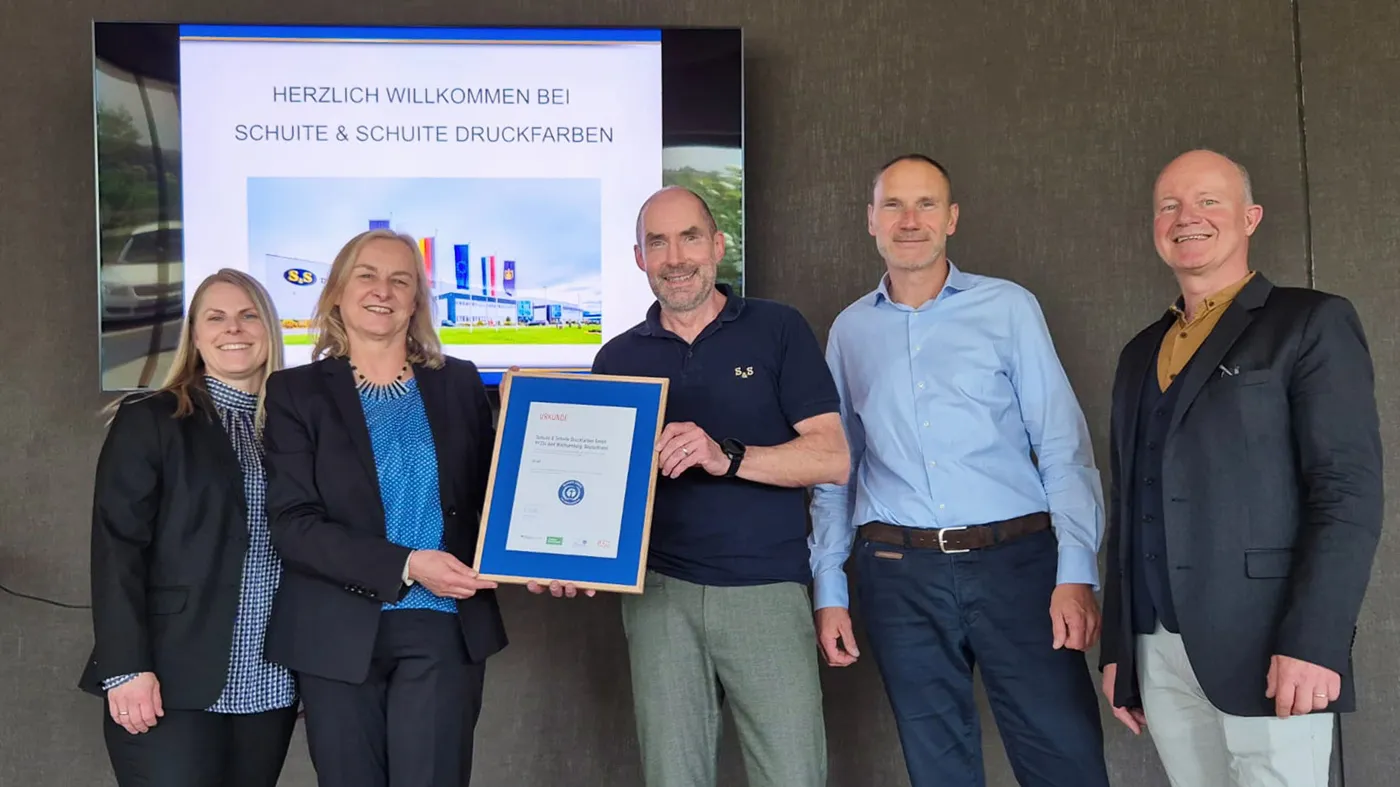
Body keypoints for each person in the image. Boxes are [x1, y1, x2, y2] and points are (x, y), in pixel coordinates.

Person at [808, 154, 1111, 787]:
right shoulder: (849, 331)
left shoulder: (1008, 308)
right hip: (899, 574)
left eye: (925, 204)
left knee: (1065, 759)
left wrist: (1076, 571)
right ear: (870, 220)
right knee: (937, 769)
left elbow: (1062, 446)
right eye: (893, 205)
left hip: (1019, 566)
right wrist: (830, 588)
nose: (909, 220)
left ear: (951, 218)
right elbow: (835, 470)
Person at [1098, 149, 1384, 787]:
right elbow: (1128, 503)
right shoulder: (1139, 352)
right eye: (1169, 205)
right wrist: (1120, 647)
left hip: (1272, 642)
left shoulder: (1310, 322)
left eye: (1208, 201)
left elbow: (1346, 493)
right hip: (1158, 648)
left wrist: (1316, 640)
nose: (1187, 217)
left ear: (1250, 218)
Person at [567, 185, 849, 787]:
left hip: (764, 592)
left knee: (793, 775)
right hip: (658, 597)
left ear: (718, 246)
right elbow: (597, 492)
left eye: (690, 237)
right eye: (657, 243)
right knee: (674, 777)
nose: (675, 257)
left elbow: (832, 458)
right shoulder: (616, 358)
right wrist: (567, 555)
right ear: (639, 258)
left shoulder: (777, 328)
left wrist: (728, 456)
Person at [261, 228, 507, 787]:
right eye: (366, 276)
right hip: (336, 630)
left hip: (444, 626)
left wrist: (548, 556)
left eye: (401, 280)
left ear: (416, 300)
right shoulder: (295, 392)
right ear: (337, 292)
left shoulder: (459, 382)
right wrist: (407, 563)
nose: (383, 290)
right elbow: (294, 526)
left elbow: (496, 497)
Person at [80, 269, 297, 787]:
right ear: (195, 336)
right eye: (215, 318)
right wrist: (126, 667)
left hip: (270, 682)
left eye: (248, 315)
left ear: (269, 329)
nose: (233, 328)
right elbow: (117, 549)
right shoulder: (152, 418)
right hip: (169, 677)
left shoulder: (295, 430)